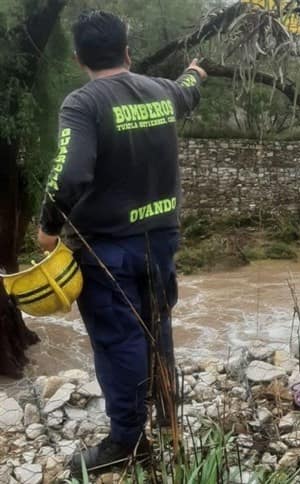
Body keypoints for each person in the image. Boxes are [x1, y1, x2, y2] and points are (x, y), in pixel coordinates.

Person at [37, 10, 206, 473]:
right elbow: (189, 92)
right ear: (128, 52)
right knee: (158, 326)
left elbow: (70, 173)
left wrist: (48, 225)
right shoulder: (162, 91)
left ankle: (128, 440)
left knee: (119, 342)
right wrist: (194, 71)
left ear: (78, 59)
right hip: (162, 238)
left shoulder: (83, 103)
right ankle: (171, 420)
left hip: (107, 247)